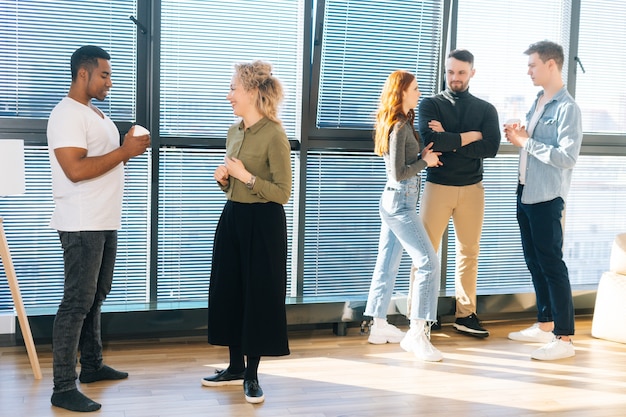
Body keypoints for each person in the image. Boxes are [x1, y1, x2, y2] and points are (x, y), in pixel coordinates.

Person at [47, 45, 150, 412]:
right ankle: (63, 387)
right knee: (76, 302)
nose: (110, 81)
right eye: (104, 74)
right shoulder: (66, 115)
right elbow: (75, 170)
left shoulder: (95, 114)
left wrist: (128, 147)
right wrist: (125, 151)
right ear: (83, 74)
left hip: (104, 220)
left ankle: (91, 366)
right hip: (81, 223)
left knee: (96, 296)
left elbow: (103, 159)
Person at [201, 60, 292, 403]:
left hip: (264, 224)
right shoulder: (234, 131)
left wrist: (245, 177)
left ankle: (252, 375)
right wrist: (225, 181)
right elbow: (236, 183)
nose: (229, 96)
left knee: (258, 297)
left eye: (233, 89)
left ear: (252, 92)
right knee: (229, 291)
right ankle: (234, 366)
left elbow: (283, 192)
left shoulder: (275, 135)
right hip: (234, 217)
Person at [413, 49, 500, 337]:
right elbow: (431, 141)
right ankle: (421, 316)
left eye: (461, 72)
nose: (455, 78)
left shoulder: (486, 109)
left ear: (472, 72)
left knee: (469, 252)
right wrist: (470, 136)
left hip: (473, 189)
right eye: (451, 72)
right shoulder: (430, 104)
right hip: (437, 186)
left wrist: (449, 139)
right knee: (425, 253)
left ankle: (466, 315)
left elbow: (491, 148)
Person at [505, 40, 582, 360]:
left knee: (552, 265)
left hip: (547, 197)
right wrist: (519, 137)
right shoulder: (538, 100)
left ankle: (564, 339)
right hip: (526, 191)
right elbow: (532, 145)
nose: (529, 71)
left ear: (552, 65)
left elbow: (567, 157)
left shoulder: (567, 108)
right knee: (534, 262)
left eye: (533, 65)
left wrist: (526, 142)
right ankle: (545, 323)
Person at [364, 70, 444, 362]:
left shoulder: (403, 123)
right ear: (401, 93)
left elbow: (404, 163)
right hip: (400, 204)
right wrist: (426, 160)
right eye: (415, 89)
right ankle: (417, 334)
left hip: (394, 201)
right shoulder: (398, 126)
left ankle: (379, 325)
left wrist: (422, 154)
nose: (419, 93)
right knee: (428, 263)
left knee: (387, 263)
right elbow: (398, 173)